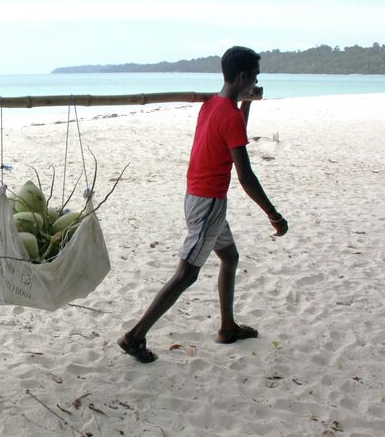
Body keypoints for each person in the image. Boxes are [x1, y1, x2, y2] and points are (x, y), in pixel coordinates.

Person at [118, 46, 288, 363]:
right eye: (254, 77)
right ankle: (134, 336)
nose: (256, 82)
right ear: (243, 76)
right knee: (186, 274)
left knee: (230, 257)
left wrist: (246, 102)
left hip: (196, 197)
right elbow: (246, 176)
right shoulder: (228, 114)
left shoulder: (212, 105)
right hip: (209, 204)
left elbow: (234, 129)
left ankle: (227, 328)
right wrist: (273, 215)